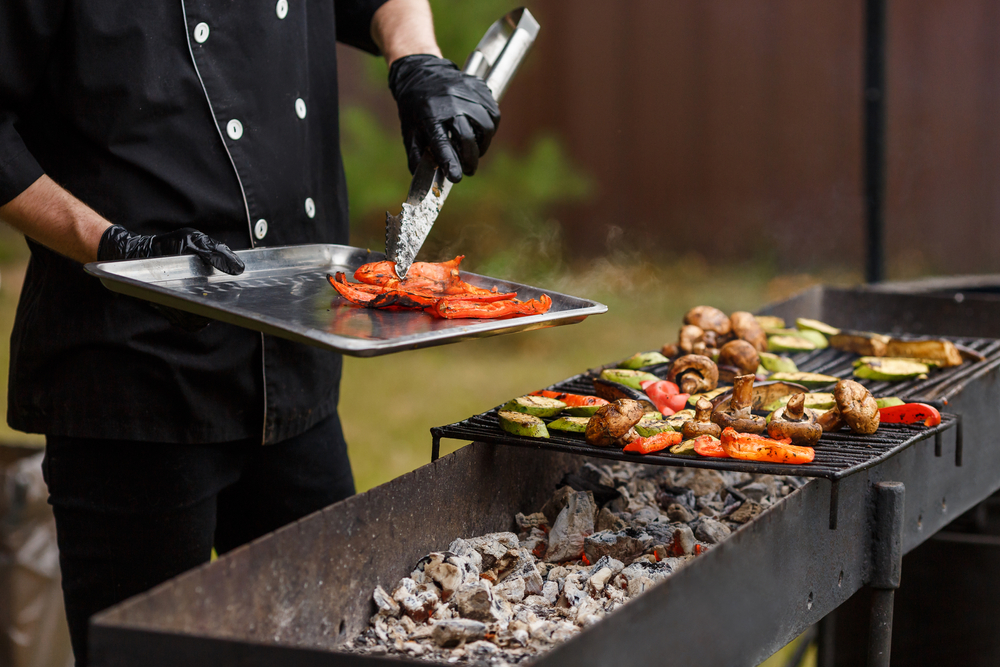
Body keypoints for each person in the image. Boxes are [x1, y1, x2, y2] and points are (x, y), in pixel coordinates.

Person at [0, 0, 500, 664]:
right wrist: (111, 245)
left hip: (294, 363)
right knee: (152, 651)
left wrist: (416, 59)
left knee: (334, 634)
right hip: (131, 375)